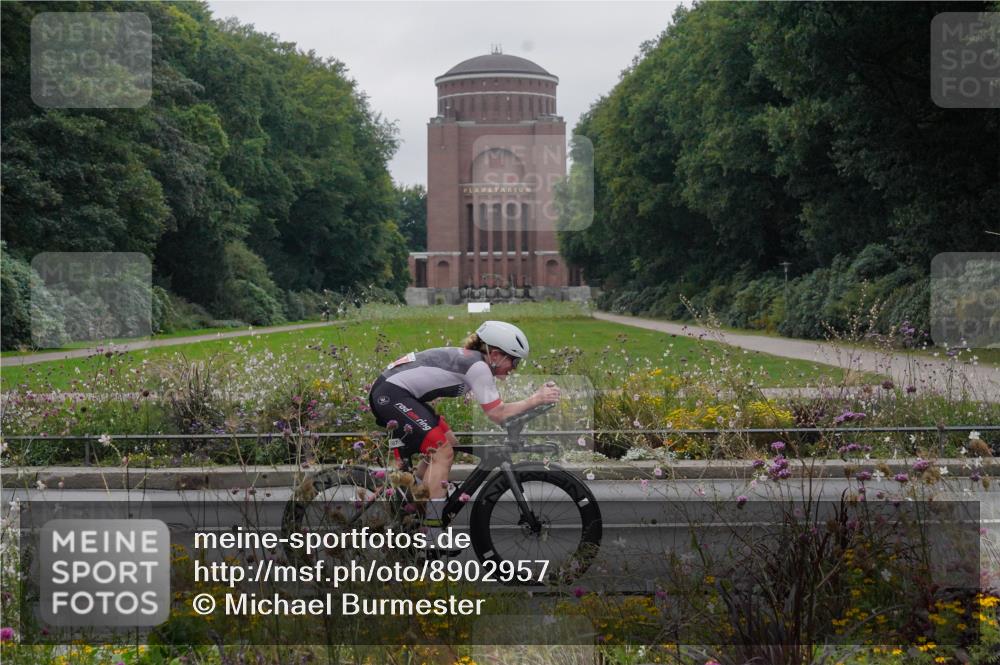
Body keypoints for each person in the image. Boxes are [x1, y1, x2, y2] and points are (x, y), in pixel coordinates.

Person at [367, 320, 560, 547]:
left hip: (398, 392)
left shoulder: (475, 361)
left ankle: (414, 496)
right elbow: (497, 413)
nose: (515, 368)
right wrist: (536, 399)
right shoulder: (478, 367)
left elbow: (500, 413)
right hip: (391, 395)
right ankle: (432, 533)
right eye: (514, 360)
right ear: (495, 355)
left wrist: (532, 406)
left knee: (450, 443)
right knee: (443, 453)